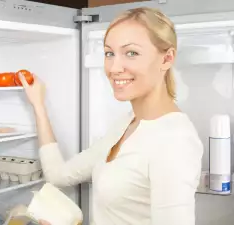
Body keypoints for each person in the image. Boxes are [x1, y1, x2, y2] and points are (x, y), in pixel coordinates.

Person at [19, 7, 204, 225]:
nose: (114, 68)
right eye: (109, 53)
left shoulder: (174, 141)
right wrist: (39, 106)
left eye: (131, 53)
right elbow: (59, 175)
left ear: (167, 58)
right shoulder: (129, 123)